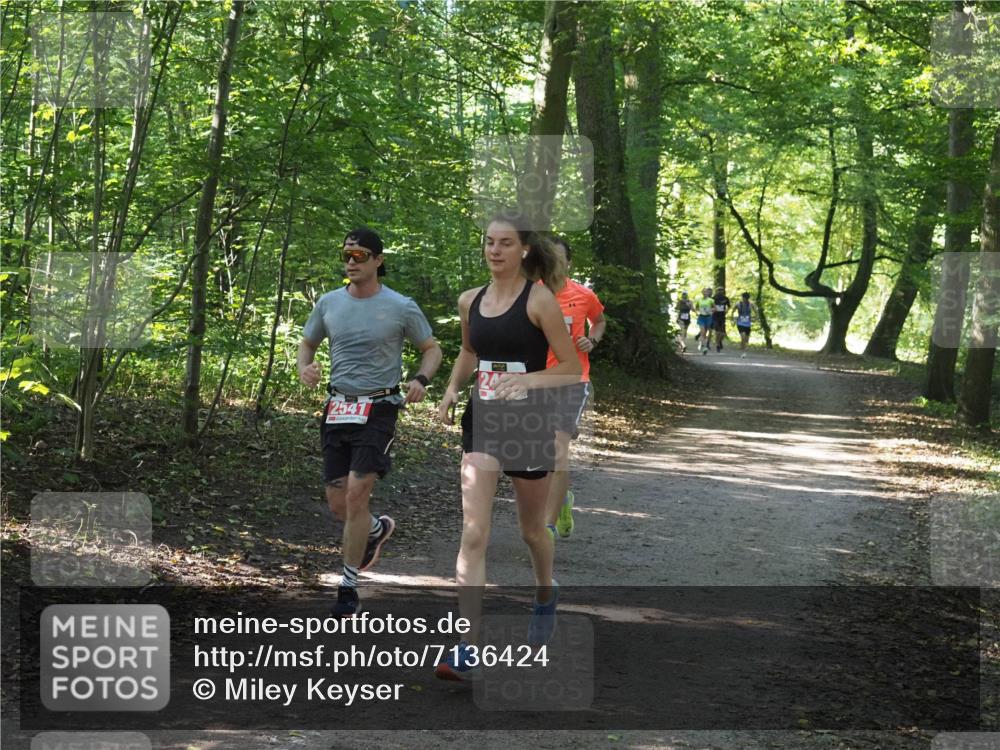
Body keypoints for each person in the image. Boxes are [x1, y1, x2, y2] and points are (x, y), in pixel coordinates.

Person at [434, 212, 581, 681]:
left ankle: (544, 593)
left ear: (523, 250)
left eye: (505, 243)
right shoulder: (469, 300)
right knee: (474, 532)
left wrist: (527, 382)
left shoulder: (539, 301)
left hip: (529, 423)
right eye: (489, 242)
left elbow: (571, 367)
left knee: (532, 531)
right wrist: (453, 388)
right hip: (484, 421)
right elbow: (469, 351)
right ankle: (467, 647)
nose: (494, 250)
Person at [298, 227, 442, 617]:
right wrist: (304, 368)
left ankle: (348, 584)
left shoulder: (400, 306)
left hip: (379, 408)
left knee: (358, 492)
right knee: (338, 503)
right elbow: (307, 343)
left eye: (359, 256)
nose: (350, 262)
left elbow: (432, 348)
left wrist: (420, 379)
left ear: (378, 260)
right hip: (337, 406)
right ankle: (376, 529)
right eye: (345, 255)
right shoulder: (328, 303)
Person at [542, 236, 606, 541]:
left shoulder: (584, 295)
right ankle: (562, 499)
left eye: (559, 258)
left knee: (558, 447)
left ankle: (548, 527)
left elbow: (600, 322)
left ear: (568, 263)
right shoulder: (529, 294)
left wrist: (591, 340)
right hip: (537, 380)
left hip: (573, 380)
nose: (554, 263)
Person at [734, 292, 754, 358]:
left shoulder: (751, 304)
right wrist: (733, 318)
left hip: (748, 323)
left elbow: (756, 311)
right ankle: (743, 352)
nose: (744, 299)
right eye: (743, 298)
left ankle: (743, 347)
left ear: (748, 298)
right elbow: (733, 311)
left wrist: (755, 318)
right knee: (743, 336)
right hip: (740, 323)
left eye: (745, 298)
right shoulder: (738, 304)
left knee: (746, 339)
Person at [695, 287, 714, 355]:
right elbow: (696, 308)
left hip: (708, 317)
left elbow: (715, 308)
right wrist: (697, 312)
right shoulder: (699, 300)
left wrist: (710, 311)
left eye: (706, 292)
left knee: (706, 332)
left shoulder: (711, 300)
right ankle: (704, 348)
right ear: (702, 293)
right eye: (704, 291)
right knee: (703, 332)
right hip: (701, 317)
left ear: (708, 293)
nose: (705, 293)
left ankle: (702, 344)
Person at [712, 286, 731, 353]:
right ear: (716, 291)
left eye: (721, 290)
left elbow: (729, 306)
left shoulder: (725, 298)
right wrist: (713, 310)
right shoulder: (713, 298)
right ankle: (717, 345)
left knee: (722, 333)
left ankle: (719, 341)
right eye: (719, 290)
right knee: (717, 332)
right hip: (715, 317)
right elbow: (710, 306)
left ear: (723, 291)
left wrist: (727, 310)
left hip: (722, 316)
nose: (720, 291)